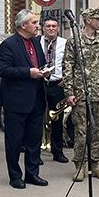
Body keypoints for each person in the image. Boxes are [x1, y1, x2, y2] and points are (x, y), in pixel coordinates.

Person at [0, 9, 49, 189]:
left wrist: (44, 72)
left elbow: (38, 63)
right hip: (16, 101)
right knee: (14, 141)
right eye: (34, 23)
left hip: (37, 98)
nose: (37, 26)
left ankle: (32, 174)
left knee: (34, 140)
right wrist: (28, 72)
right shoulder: (9, 44)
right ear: (23, 25)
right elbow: (3, 70)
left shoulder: (36, 42)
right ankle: (15, 175)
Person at [62, 8, 99, 182]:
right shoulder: (74, 41)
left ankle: (96, 164)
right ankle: (80, 165)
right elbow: (67, 67)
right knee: (81, 131)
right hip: (80, 93)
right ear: (87, 20)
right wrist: (69, 92)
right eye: (97, 18)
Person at [40, 17, 70, 163]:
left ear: (58, 28)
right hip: (40, 83)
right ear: (43, 28)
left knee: (56, 118)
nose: (51, 28)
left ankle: (57, 152)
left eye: (54, 26)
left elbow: (71, 62)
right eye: (48, 26)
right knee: (37, 117)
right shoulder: (37, 42)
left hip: (58, 84)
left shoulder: (65, 43)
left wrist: (67, 78)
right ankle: (35, 152)